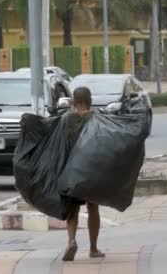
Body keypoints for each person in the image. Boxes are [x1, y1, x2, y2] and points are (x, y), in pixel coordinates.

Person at [61, 86, 104, 261]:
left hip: (72, 171)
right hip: (92, 170)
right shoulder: (96, 118)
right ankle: (93, 248)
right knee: (93, 208)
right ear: (89, 100)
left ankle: (71, 241)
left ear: (74, 101)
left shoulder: (66, 119)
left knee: (73, 209)